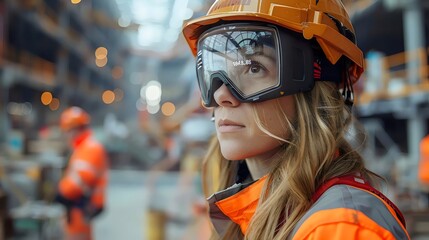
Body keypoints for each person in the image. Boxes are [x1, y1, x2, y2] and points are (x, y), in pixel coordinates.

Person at [181, 0, 410, 239]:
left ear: (313, 87)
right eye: (216, 72)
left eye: (254, 67)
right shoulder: (249, 213)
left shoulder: (339, 228)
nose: (221, 95)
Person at [56, 106, 109, 240]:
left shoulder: (89, 148)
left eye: (67, 131)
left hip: (81, 206)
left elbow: (79, 182)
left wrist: (61, 192)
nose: (66, 136)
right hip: (80, 207)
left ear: (75, 129)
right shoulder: (84, 147)